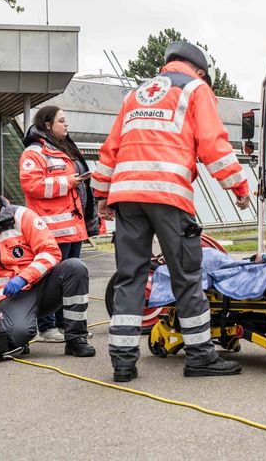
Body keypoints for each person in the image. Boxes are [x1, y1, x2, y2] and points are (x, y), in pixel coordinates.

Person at [92, 41, 251, 382]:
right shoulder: (195, 89)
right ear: (199, 70)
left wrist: (101, 194)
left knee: (131, 277)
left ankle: (122, 362)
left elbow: (111, 149)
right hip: (168, 193)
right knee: (186, 276)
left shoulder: (134, 95)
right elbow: (213, 144)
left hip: (127, 195)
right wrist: (238, 186)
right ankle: (200, 356)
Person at [0, 179, 95, 357]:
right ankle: (20, 336)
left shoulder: (22, 217)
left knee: (75, 267)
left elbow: (50, 252)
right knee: (16, 335)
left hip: (43, 287)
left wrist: (24, 277)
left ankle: (76, 339)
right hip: (9, 297)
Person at [20, 105, 100, 343]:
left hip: (72, 227)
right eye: (62, 121)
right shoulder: (34, 153)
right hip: (51, 230)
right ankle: (47, 327)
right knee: (51, 279)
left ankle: (68, 326)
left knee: (72, 279)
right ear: (47, 125)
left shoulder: (63, 149)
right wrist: (68, 182)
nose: (66, 125)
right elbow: (32, 185)